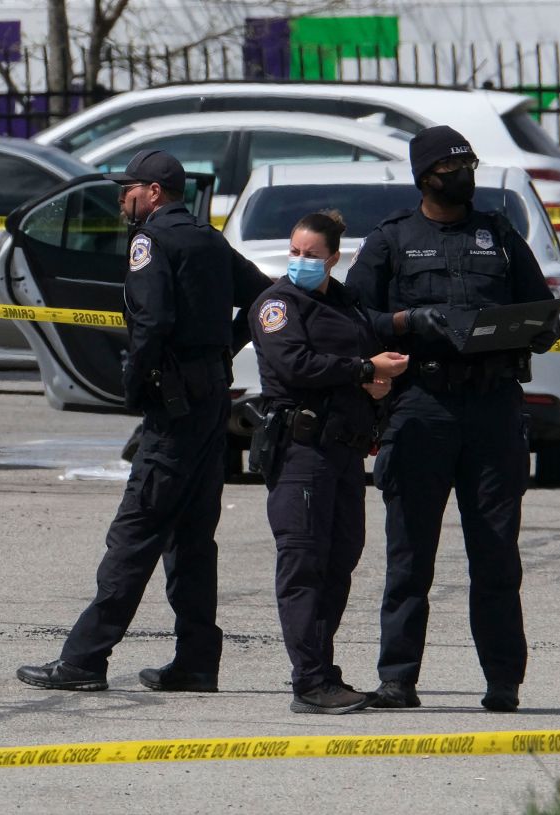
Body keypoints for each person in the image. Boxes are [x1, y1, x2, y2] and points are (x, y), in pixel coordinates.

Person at [17, 149, 271, 693]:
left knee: (136, 532)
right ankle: (197, 661)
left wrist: (135, 384)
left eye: (127, 188)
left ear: (154, 192)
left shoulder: (150, 241)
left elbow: (151, 320)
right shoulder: (208, 237)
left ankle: (84, 660)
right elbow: (264, 297)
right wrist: (221, 351)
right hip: (209, 406)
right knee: (192, 537)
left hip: (174, 409)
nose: (121, 199)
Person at [344, 126, 560, 712]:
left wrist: (537, 327)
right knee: (410, 553)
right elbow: (354, 316)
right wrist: (409, 323)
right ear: (425, 176)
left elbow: (542, 311)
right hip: (421, 408)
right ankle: (398, 678)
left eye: (468, 165)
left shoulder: (498, 233)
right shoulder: (392, 239)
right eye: (451, 167)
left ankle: (503, 680)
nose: (463, 176)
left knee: (495, 552)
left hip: (492, 409)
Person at [248, 211, 408, 714]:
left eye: (311, 255)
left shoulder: (344, 302)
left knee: (340, 560)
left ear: (334, 258)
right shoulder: (278, 303)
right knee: (304, 563)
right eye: (295, 252)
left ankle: (322, 669)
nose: (300, 262)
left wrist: (379, 383)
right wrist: (363, 370)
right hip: (301, 450)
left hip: (343, 451)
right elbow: (293, 364)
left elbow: (369, 352)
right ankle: (309, 681)